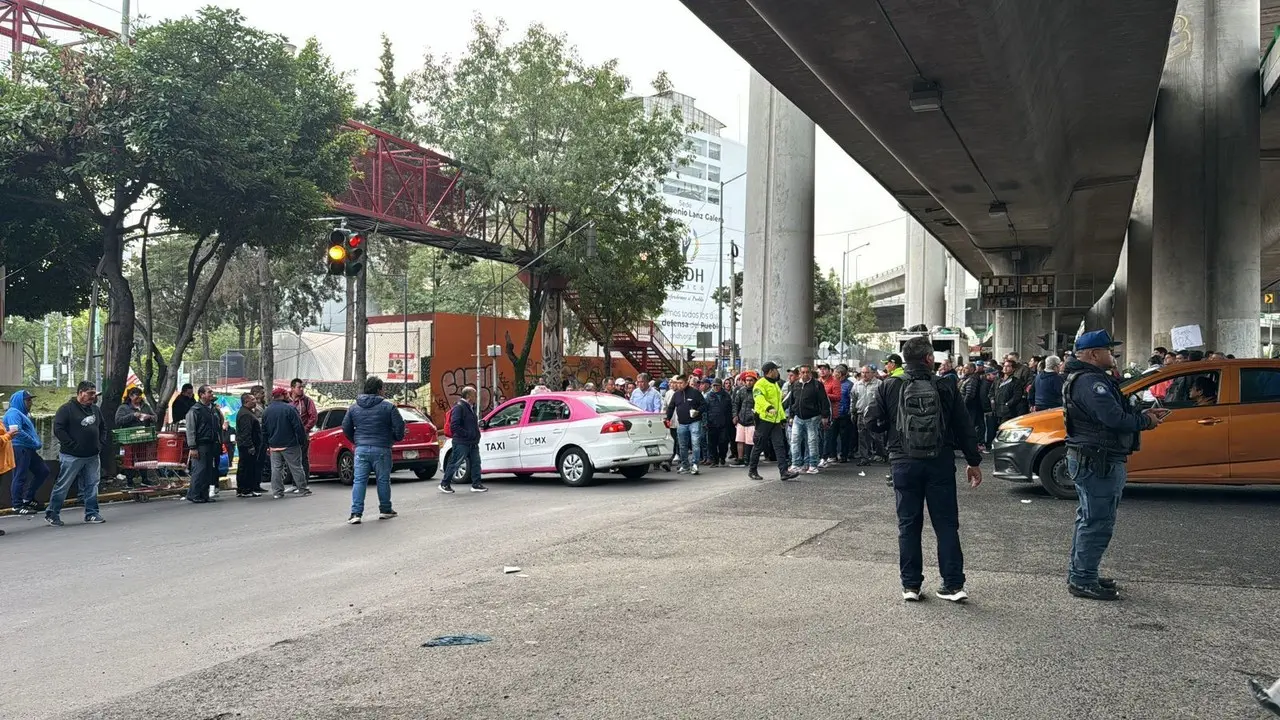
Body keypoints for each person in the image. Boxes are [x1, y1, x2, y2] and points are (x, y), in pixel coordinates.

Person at [867, 336, 983, 603]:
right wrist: (973, 461)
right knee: (946, 525)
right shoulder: (945, 385)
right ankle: (953, 585)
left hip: (903, 462)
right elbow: (964, 426)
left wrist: (891, 440)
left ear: (904, 360)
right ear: (929, 359)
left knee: (908, 525)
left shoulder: (889, 385)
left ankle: (911, 586)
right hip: (939, 461)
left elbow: (871, 421)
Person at [1062, 329, 1164, 601]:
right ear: (1094, 355)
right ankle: (1083, 579)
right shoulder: (1090, 382)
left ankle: (1082, 573)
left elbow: (1110, 414)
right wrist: (1146, 421)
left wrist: (1140, 414)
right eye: (1109, 350)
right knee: (1097, 521)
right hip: (1099, 460)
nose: (1114, 354)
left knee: (1089, 518)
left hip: (1094, 457)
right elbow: (1113, 419)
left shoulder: (1090, 379)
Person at [343, 375, 407, 524]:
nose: (384, 391)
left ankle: (356, 513)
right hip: (382, 448)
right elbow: (399, 426)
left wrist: (357, 440)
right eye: (383, 388)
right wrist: (394, 438)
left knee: (359, 481)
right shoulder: (388, 406)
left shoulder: (354, 407)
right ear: (379, 390)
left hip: (361, 449)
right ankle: (385, 509)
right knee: (383, 480)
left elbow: (346, 428)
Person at [47, 381, 109, 526]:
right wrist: (72, 445)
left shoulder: (95, 409)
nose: (93, 397)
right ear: (81, 393)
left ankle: (92, 513)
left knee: (92, 484)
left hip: (92, 455)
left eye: (94, 393)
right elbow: (58, 430)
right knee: (63, 485)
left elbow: (103, 427)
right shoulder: (66, 409)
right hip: (71, 456)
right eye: (90, 394)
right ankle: (52, 513)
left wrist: (100, 444)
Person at [748, 362, 798, 482]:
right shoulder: (760, 384)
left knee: (779, 445)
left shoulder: (775, 384)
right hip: (763, 419)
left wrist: (781, 418)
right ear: (771, 371)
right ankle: (752, 470)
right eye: (776, 369)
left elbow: (778, 405)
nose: (777, 372)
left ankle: (784, 472)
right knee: (759, 445)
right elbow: (759, 399)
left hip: (775, 420)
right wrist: (768, 408)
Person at [5, 389, 49, 515]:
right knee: (20, 475)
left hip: (28, 448)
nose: (30, 402)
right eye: (28, 400)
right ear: (20, 401)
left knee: (43, 471)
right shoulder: (13, 413)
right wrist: (34, 442)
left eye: (31, 399)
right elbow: (16, 431)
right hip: (20, 447)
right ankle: (17, 505)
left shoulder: (22, 414)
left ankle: (28, 498)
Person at [263, 387, 312, 499]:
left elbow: (264, 430)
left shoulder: (267, 411)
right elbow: (298, 427)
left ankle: (277, 492)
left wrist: (266, 445)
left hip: (274, 445)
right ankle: (302, 489)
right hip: (290, 444)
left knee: (276, 469)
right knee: (296, 467)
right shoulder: (290, 409)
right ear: (283, 395)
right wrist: (302, 440)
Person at [440, 386, 487, 493]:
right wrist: (468, 434)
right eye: (474, 395)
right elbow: (454, 426)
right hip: (462, 442)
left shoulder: (470, 407)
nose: (476, 397)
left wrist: (476, 435)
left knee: (476, 463)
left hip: (472, 442)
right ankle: (444, 483)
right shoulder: (459, 407)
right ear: (469, 396)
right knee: (456, 462)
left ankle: (476, 484)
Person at [788, 365, 830, 475]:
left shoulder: (817, 385)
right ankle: (796, 464)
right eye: (803, 372)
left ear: (810, 373)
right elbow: (792, 401)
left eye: (807, 372)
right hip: (798, 417)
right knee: (795, 441)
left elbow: (823, 401)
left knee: (812, 442)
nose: (805, 374)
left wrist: (825, 416)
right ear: (800, 374)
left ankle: (812, 464)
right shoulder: (795, 385)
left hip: (813, 417)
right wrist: (791, 416)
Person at [185, 385, 223, 504]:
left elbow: (219, 424)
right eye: (209, 392)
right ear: (201, 394)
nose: (212, 394)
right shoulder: (195, 410)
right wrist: (193, 447)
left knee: (208, 470)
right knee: (199, 470)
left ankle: (204, 494)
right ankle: (194, 494)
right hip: (200, 444)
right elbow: (190, 430)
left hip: (212, 443)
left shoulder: (212, 409)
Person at [114, 387, 157, 489]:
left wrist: (149, 417)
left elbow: (155, 417)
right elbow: (118, 420)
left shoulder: (145, 406)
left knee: (143, 458)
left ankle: (145, 479)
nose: (138, 398)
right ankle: (130, 481)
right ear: (130, 396)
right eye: (136, 396)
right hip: (129, 437)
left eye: (140, 395)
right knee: (129, 459)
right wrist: (133, 415)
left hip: (143, 436)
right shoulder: (123, 408)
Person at [664, 375, 706, 475]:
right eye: (677, 383)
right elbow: (671, 407)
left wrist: (697, 412)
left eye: (681, 383)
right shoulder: (676, 394)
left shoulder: (695, 392)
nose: (679, 385)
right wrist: (667, 419)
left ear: (686, 382)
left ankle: (695, 464)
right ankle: (685, 465)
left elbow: (704, 405)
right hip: (682, 423)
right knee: (682, 445)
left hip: (694, 422)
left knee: (695, 444)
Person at [289, 378, 318, 488]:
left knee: (303, 458)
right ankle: (294, 483)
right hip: (289, 435)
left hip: (302, 434)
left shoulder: (307, 401)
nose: (301, 389)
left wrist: (304, 429)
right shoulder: (287, 400)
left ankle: (303, 483)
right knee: (291, 458)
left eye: (302, 387)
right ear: (292, 388)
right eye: (299, 387)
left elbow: (313, 417)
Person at [235, 393, 264, 498]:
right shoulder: (245, 414)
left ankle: (247, 489)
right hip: (247, 446)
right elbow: (245, 432)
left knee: (249, 467)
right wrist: (250, 446)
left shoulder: (247, 412)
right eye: (253, 399)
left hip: (249, 445)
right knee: (246, 468)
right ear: (246, 401)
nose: (255, 401)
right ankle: (245, 489)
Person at [853, 366, 883, 464]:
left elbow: (883, 400)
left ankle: (880, 454)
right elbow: (853, 399)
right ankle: (864, 458)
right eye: (862, 372)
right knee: (862, 436)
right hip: (861, 413)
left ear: (872, 373)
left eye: (867, 372)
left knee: (877, 436)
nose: (864, 375)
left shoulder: (879, 384)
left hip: (874, 414)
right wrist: (853, 412)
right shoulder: (857, 385)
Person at [703, 378, 733, 467]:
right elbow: (704, 410)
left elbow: (730, 409)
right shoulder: (708, 396)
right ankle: (714, 460)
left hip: (724, 423)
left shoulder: (726, 395)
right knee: (712, 443)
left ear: (721, 386)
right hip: (712, 422)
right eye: (714, 385)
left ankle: (722, 457)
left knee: (723, 442)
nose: (715, 387)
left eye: (717, 385)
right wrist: (705, 422)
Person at [730, 372, 757, 467]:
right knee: (740, 440)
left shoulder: (757, 391)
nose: (748, 382)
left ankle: (748, 458)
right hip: (741, 418)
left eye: (751, 380)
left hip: (752, 420)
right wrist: (735, 415)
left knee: (750, 441)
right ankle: (740, 458)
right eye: (747, 380)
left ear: (754, 381)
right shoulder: (741, 391)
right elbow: (736, 404)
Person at [994, 359, 1028, 426]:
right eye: (1004, 366)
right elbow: (991, 391)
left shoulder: (1016, 382)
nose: (1005, 368)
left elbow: (1017, 396)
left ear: (1013, 369)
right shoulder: (998, 380)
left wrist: (1007, 404)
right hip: (997, 410)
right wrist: (992, 400)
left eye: (1008, 366)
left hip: (1008, 412)